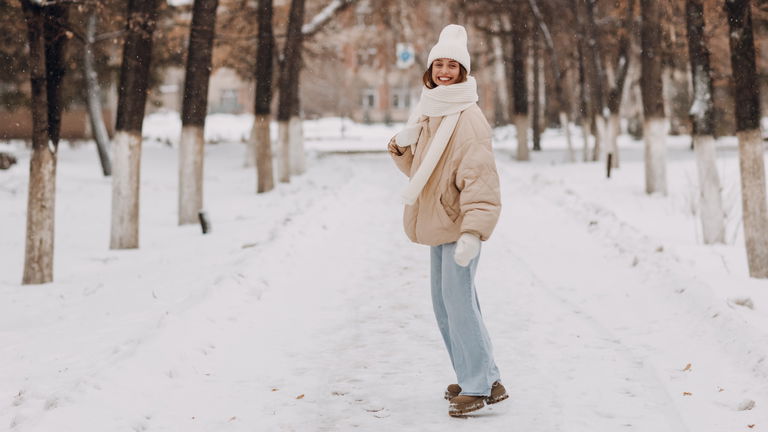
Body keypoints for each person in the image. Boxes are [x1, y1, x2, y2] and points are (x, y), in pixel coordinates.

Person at [387, 24, 507, 417]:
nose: (443, 71)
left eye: (451, 65)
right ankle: (485, 376)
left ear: (463, 71)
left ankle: (476, 386)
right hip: (442, 222)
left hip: (460, 226)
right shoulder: (431, 108)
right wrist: (403, 148)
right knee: (446, 304)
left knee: (458, 303)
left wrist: (474, 231)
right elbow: (427, 174)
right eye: (438, 64)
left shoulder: (467, 118)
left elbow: (480, 182)